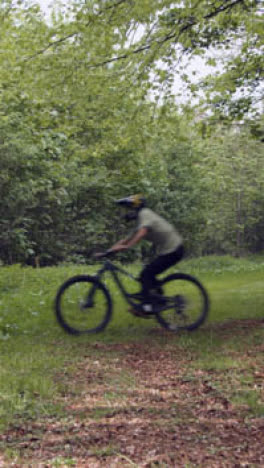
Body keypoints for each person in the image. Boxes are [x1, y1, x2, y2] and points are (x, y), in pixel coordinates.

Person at [107, 194, 184, 306]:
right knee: (147, 276)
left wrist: (128, 247)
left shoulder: (145, 213)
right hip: (170, 250)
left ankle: (147, 306)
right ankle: (156, 300)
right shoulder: (140, 220)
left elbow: (142, 233)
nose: (127, 212)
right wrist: (108, 251)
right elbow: (126, 239)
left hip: (174, 249)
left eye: (130, 208)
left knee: (146, 274)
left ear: (136, 207)